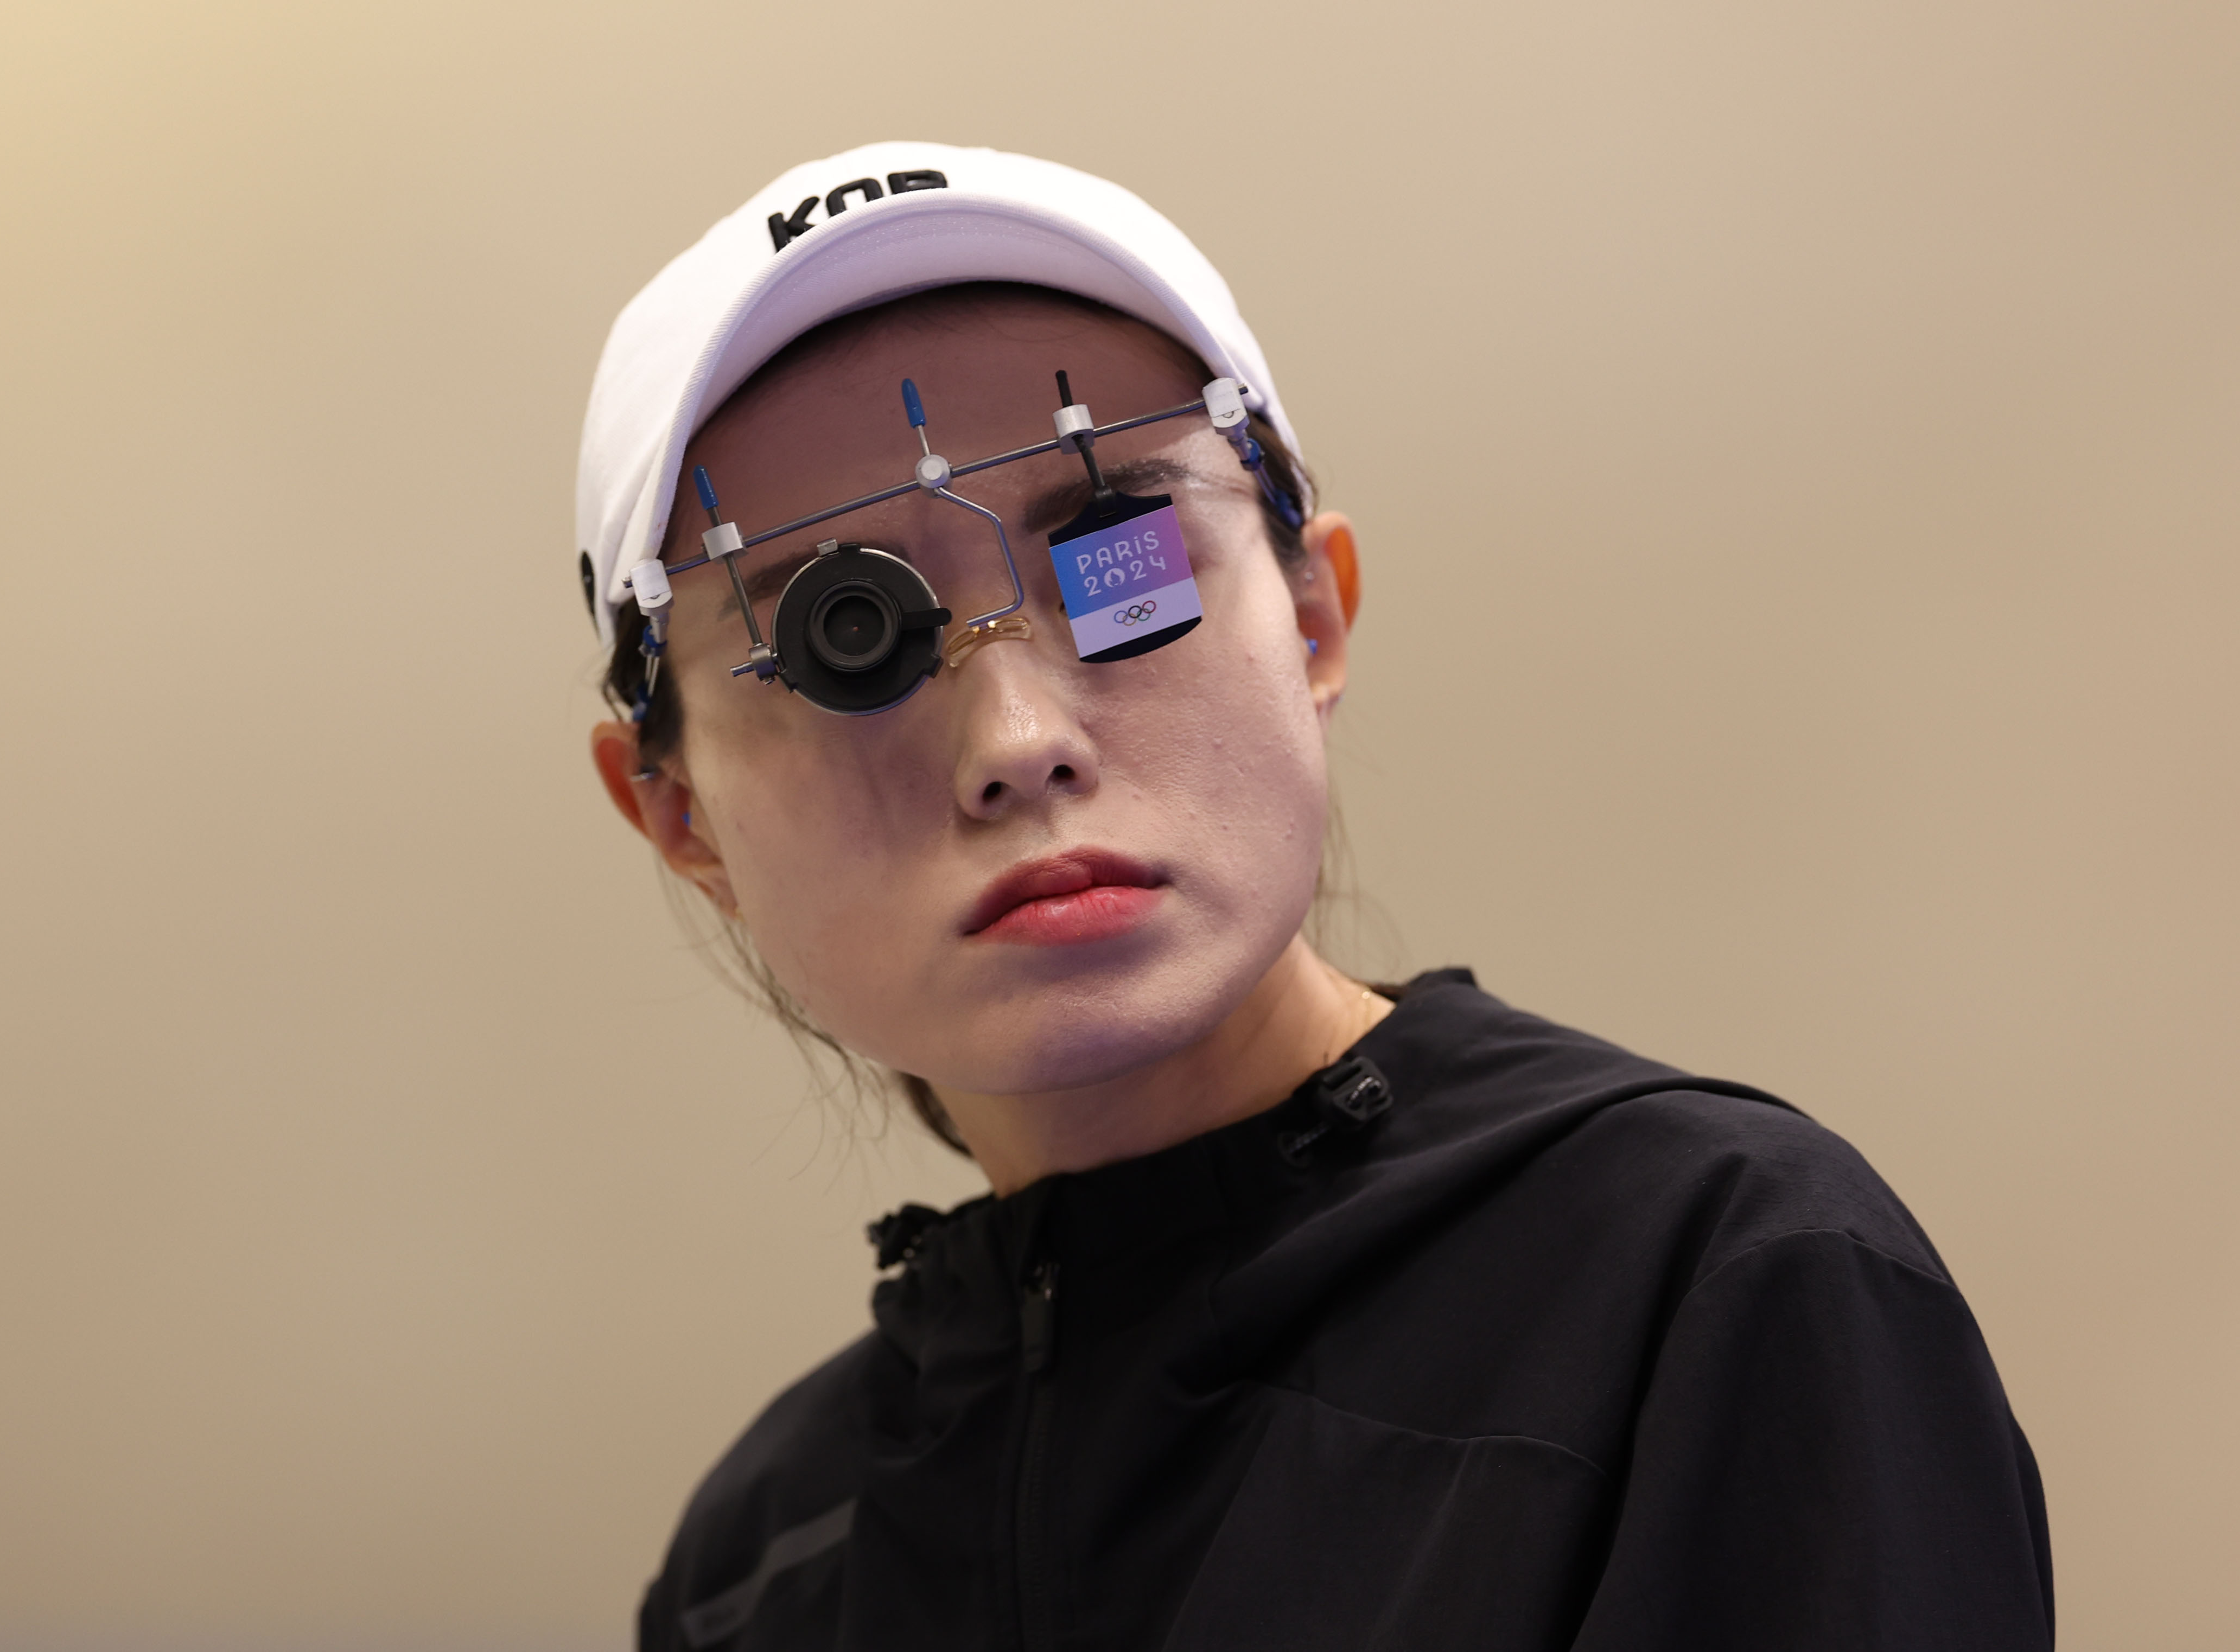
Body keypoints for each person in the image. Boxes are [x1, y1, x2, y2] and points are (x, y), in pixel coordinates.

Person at [580, 143, 2053, 1651]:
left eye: (1122, 561)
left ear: (1314, 616)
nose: (1018, 748)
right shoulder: (762, 1563)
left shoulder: (1703, 1285)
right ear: (676, 813)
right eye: (849, 638)